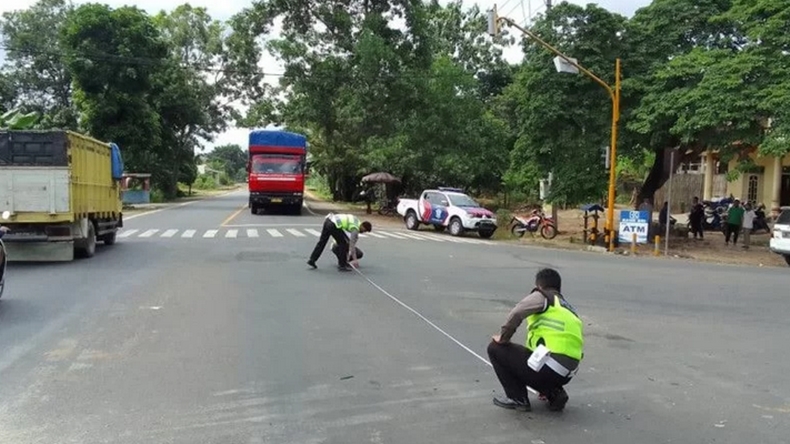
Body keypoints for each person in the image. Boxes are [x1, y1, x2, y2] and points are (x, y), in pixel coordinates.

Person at [487, 268, 583, 413]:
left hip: (549, 366)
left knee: (495, 348)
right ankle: (554, 393)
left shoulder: (543, 296)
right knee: (529, 359)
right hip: (567, 372)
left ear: (539, 286)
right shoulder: (567, 308)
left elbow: (517, 312)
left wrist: (503, 338)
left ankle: (517, 398)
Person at [307, 213, 372, 271]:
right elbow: (351, 246)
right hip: (334, 225)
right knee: (342, 243)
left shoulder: (357, 221)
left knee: (322, 242)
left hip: (329, 220)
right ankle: (342, 265)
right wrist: (355, 260)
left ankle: (312, 260)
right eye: (364, 231)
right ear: (363, 226)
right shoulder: (355, 228)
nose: (363, 232)